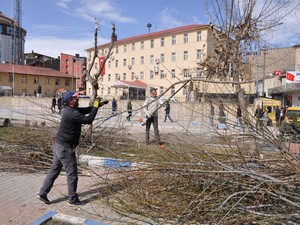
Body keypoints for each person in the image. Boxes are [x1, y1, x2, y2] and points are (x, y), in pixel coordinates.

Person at [37, 91, 108, 206]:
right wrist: (95, 107)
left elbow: (85, 110)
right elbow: (88, 120)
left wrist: (97, 105)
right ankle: (72, 199)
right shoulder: (72, 113)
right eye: (76, 98)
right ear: (70, 101)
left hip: (59, 145)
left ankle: (42, 192)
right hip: (65, 148)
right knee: (72, 174)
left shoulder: (70, 110)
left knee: (54, 170)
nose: (78, 99)